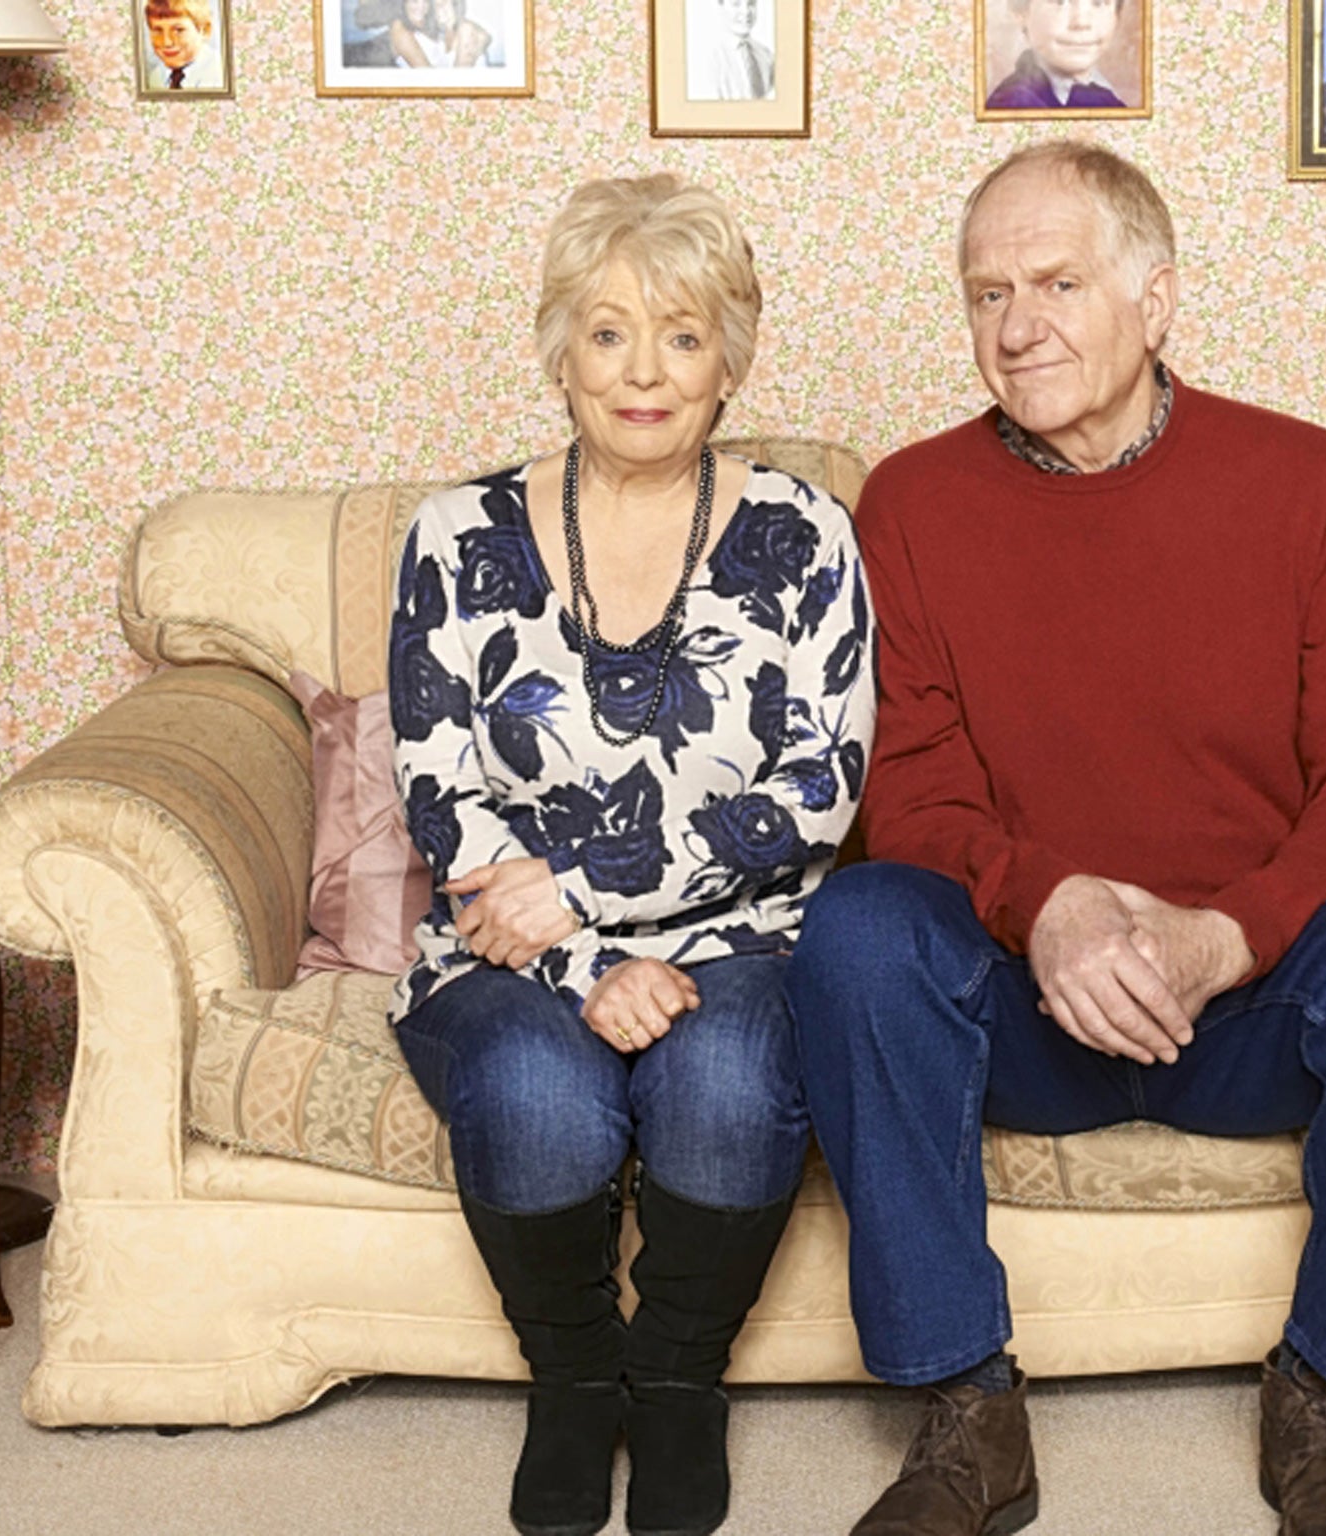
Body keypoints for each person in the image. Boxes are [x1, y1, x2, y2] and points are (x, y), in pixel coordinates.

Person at [784, 140, 1326, 1536]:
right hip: (1028, 1003)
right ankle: (964, 1406)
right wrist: (1048, 904)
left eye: (1057, 283)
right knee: (857, 928)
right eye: (987, 292)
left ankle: (1322, 1388)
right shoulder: (914, 502)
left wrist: (1224, 936)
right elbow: (913, 797)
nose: (1017, 325)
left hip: (1252, 1003)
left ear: (1157, 298)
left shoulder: (1303, 479)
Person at [389, 173, 873, 1536]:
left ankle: (672, 1387)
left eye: (682, 334)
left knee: (724, 1077)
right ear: (560, 352)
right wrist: (587, 960)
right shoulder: (454, 538)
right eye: (608, 333)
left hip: (745, 937)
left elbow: (816, 792)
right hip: (511, 946)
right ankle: (572, 1385)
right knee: (536, 1092)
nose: (644, 372)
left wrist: (587, 889)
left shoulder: (806, 535)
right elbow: (443, 796)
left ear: (732, 359)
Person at [983, 0, 1127, 112]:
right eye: (1059, 2)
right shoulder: (1014, 103)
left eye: (1098, 3)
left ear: (1117, 15)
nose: (1081, 23)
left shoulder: (1107, 98)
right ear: (1021, 12)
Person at [691, 0, 775, 101]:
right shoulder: (707, 60)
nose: (746, 11)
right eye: (736, 4)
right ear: (720, 7)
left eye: (751, 3)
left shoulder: (766, 56)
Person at [142, 0, 227, 91]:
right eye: (158, 31)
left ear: (204, 31)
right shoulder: (154, 77)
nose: (167, 42)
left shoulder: (221, 74)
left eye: (178, 30)